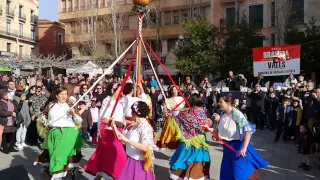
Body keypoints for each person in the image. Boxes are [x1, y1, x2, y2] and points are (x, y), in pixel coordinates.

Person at [205, 95, 268, 180]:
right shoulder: (223, 114)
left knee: (239, 173)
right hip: (227, 148)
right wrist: (210, 129)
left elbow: (248, 131)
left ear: (228, 103)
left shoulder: (236, 114)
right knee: (227, 172)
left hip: (238, 147)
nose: (219, 103)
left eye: (221, 102)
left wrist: (244, 148)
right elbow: (219, 130)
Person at [34, 87, 83, 179]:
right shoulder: (51, 105)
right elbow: (43, 116)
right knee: (53, 155)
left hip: (68, 133)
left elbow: (79, 121)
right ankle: (55, 173)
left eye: (65, 94)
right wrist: (44, 121)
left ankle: (57, 175)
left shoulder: (71, 105)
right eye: (61, 94)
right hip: (54, 133)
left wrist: (74, 114)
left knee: (58, 156)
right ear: (57, 96)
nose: (64, 96)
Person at [84, 87, 126, 180]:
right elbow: (104, 119)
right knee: (119, 156)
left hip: (116, 133)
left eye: (121, 90)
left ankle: (101, 176)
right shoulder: (108, 101)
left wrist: (126, 122)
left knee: (107, 157)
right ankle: (112, 176)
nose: (121, 92)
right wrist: (116, 123)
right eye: (119, 90)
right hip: (109, 132)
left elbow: (120, 117)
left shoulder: (120, 102)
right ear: (113, 90)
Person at [169, 94, 212, 179]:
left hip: (187, 141)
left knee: (184, 159)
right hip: (198, 142)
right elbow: (206, 123)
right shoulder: (201, 112)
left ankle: (182, 176)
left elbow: (176, 120)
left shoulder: (183, 113)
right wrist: (209, 121)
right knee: (197, 160)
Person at [116, 101, 155, 180]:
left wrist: (128, 140)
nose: (130, 113)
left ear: (135, 113)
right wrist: (113, 126)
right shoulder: (136, 124)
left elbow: (146, 147)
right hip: (130, 160)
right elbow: (122, 138)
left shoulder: (145, 126)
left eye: (131, 111)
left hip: (139, 164)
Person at [0, 89, 18, 154]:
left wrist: (15, 112)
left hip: (12, 120)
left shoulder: (10, 101)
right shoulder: (1, 103)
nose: (7, 95)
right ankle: (5, 148)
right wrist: (11, 113)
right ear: (2, 96)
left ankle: (11, 148)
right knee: (5, 136)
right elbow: (1, 113)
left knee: (12, 134)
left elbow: (15, 108)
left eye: (7, 94)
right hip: (5, 121)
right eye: (5, 94)